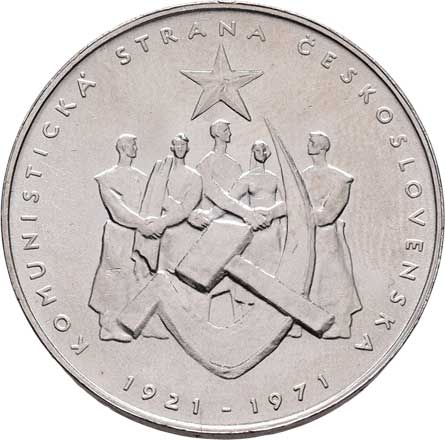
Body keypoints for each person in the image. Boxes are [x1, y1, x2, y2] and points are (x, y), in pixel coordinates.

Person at [89, 134, 158, 342]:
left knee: (139, 276)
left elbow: (153, 201)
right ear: (121, 148)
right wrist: (142, 224)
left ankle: (138, 323)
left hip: (138, 235)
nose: (135, 148)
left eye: (136, 144)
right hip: (118, 235)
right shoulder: (106, 178)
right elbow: (118, 211)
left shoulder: (140, 177)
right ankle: (108, 326)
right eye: (132, 145)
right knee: (115, 277)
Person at [303, 131, 362, 339]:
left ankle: (341, 324)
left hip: (328, 238)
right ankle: (312, 322)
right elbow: (294, 203)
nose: (308, 144)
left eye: (312, 142)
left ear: (322, 148)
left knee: (334, 278)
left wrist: (303, 215)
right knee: (311, 281)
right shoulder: (304, 175)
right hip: (306, 238)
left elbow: (327, 215)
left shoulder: (340, 179)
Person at [229, 140, 287, 275]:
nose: (261, 153)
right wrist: (246, 215)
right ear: (252, 153)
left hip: (273, 229)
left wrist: (273, 213)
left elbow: (290, 202)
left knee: (273, 267)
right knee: (253, 267)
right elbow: (230, 201)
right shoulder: (247, 177)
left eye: (263, 150)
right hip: (255, 228)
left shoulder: (274, 178)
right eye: (257, 150)